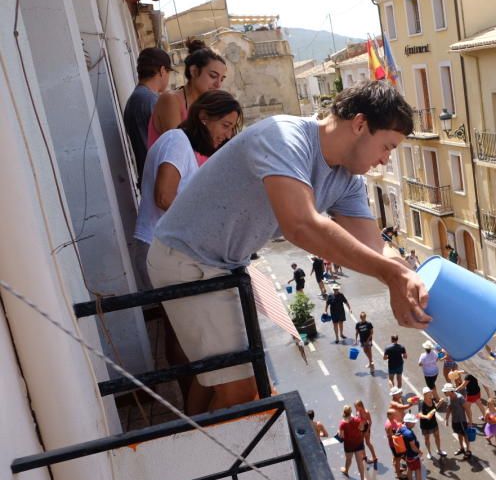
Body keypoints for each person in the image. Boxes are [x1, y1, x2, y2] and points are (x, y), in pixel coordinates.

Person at [147, 81, 429, 412]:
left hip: (222, 265)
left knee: (226, 380)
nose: (384, 160)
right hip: (187, 259)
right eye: (387, 146)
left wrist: (412, 277)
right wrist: (391, 275)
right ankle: (212, 456)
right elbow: (301, 225)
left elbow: (374, 244)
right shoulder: (284, 137)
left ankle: (195, 435)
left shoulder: (348, 181)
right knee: (241, 392)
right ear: (360, 124)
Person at [133, 90, 242, 292]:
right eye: (225, 126)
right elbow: (164, 197)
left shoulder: (183, 145)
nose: (228, 134)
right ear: (203, 118)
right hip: (159, 250)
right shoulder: (177, 141)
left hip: (165, 250)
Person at [148, 39, 226, 160]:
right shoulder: (171, 100)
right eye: (213, 76)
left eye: (222, 79)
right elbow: (179, 153)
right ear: (194, 71)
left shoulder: (207, 108)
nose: (218, 85)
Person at [123, 47, 172, 185]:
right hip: (157, 181)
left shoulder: (135, 98)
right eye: (168, 72)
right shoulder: (150, 100)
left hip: (149, 180)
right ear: (162, 71)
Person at [338, 405, 367, 480]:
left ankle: (346, 470)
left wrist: (338, 431)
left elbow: (341, 436)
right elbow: (361, 428)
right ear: (351, 412)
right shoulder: (357, 420)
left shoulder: (342, 423)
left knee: (349, 459)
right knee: (360, 462)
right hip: (358, 443)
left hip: (349, 445)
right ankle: (362, 479)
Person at [417, 387, 447, 460]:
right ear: (425, 395)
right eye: (429, 393)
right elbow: (419, 414)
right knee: (427, 438)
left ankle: (439, 450)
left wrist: (439, 403)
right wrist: (426, 416)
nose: (431, 394)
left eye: (430, 393)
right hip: (425, 425)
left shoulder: (432, 400)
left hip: (433, 422)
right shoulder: (421, 403)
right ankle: (429, 452)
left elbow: (434, 409)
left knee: (437, 436)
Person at [443, 383, 471, 457]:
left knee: (465, 435)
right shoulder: (449, 398)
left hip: (462, 421)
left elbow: (467, 409)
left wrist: (470, 421)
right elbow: (449, 409)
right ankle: (462, 448)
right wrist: (446, 419)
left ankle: (468, 450)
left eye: (446, 391)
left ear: (451, 391)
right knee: (459, 434)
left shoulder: (460, 398)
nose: (444, 393)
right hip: (455, 421)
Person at [400, 415, 425, 480]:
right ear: (408, 423)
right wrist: (420, 452)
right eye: (413, 423)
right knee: (418, 470)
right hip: (413, 455)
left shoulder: (401, 428)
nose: (414, 424)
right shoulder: (409, 433)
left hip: (406, 454)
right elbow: (413, 447)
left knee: (409, 469)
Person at [355, 399, 378, 466]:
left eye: (356, 407)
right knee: (361, 443)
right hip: (360, 429)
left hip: (365, 428)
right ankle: (364, 456)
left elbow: (370, 422)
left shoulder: (366, 412)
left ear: (361, 406)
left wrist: (367, 431)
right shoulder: (357, 411)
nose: (356, 408)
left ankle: (374, 457)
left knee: (368, 443)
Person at [385, 410, 405, 478]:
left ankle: (397, 469)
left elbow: (397, 426)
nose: (395, 415)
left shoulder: (393, 420)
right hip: (394, 444)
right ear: (389, 415)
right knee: (398, 459)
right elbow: (389, 436)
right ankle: (399, 474)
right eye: (393, 414)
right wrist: (398, 435)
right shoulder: (389, 425)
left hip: (396, 443)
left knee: (396, 458)